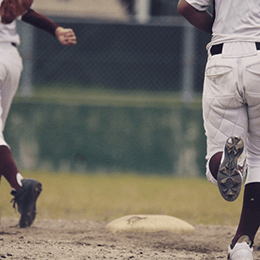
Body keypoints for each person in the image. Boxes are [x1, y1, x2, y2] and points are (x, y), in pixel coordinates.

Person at [178, 0, 260, 259]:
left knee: (217, 151)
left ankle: (225, 162)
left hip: (221, 59)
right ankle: (243, 244)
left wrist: (220, 28)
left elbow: (186, 7)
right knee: (259, 159)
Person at [0, 4, 76, 228]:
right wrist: (55, 29)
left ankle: (21, 187)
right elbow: (23, 10)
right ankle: (20, 187)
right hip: (11, 61)